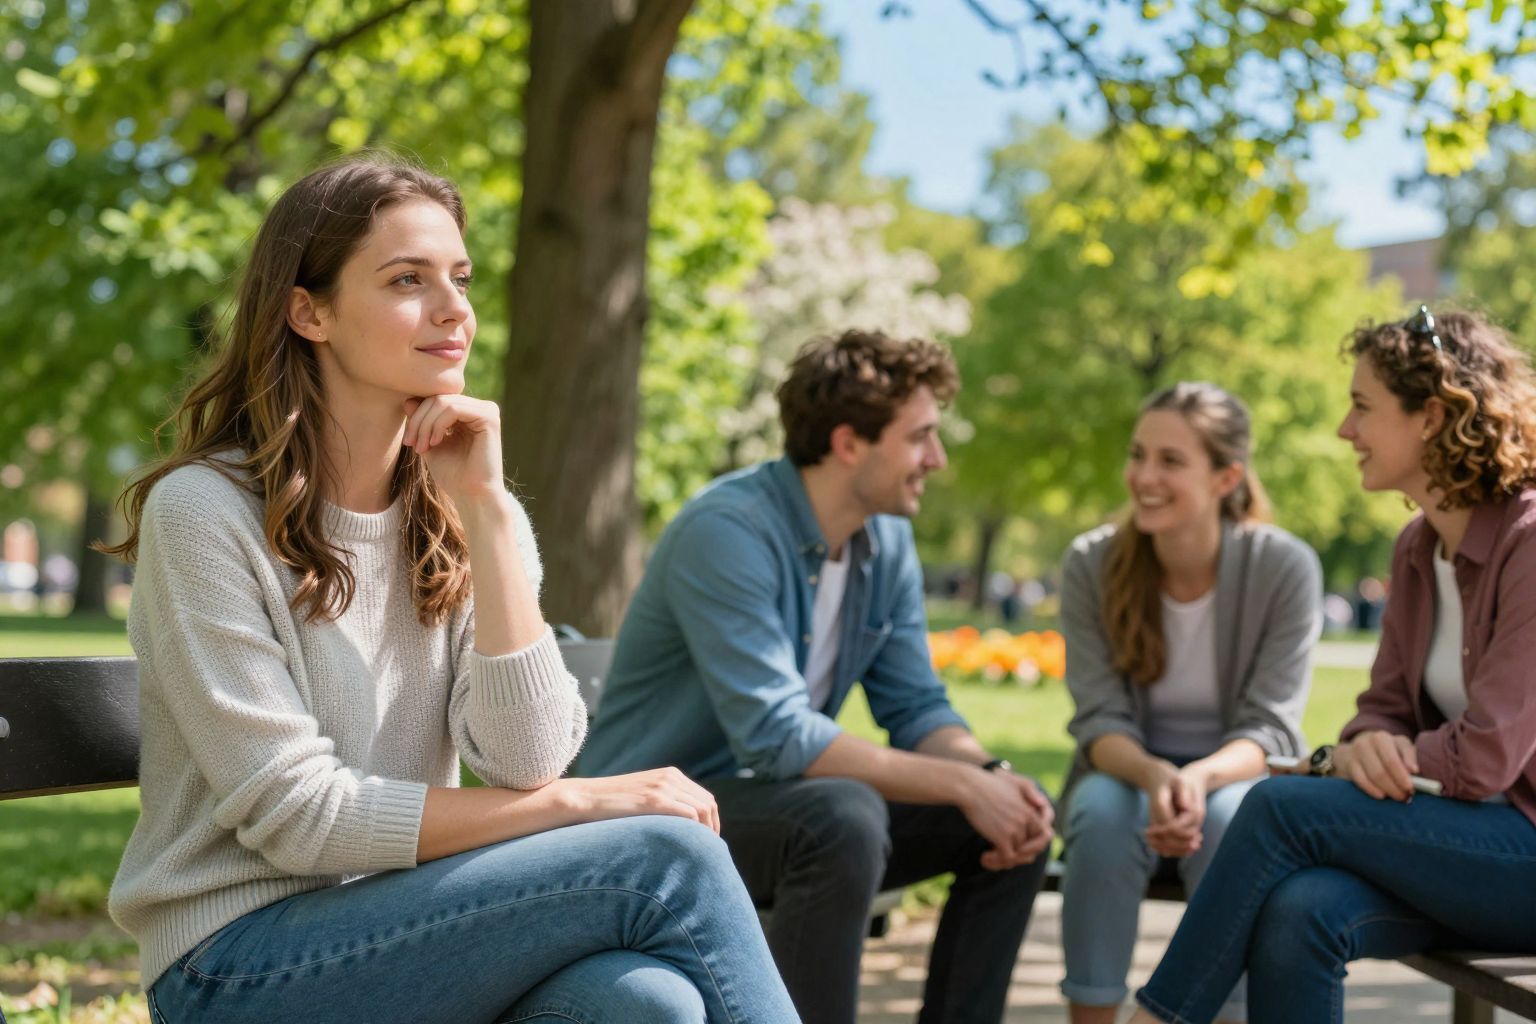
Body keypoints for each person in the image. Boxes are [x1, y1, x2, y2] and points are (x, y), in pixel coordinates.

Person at [102, 156, 799, 1024]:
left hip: (407, 930)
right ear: (307, 310)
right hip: (237, 966)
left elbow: (526, 758)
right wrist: (584, 801)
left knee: (643, 1004)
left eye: (460, 279)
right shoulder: (205, 513)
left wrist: (489, 517)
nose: (453, 309)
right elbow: (298, 817)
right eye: (407, 280)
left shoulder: (464, 509)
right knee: (666, 857)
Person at [576, 329, 1053, 1024]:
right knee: (841, 818)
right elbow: (779, 737)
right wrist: (962, 782)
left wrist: (991, 774)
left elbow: (918, 706)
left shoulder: (883, 541)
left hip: (766, 812)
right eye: (919, 437)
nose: (937, 458)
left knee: (1014, 817)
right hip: (652, 823)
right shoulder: (728, 530)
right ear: (849, 442)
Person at [1129, 308, 1536, 1024]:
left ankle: (1156, 1019)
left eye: (1362, 406)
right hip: (1459, 849)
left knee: (1280, 806)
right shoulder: (1417, 549)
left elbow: (1487, 755)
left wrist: (1386, 755)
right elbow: (1380, 709)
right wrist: (1371, 743)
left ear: (1433, 417)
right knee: (1299, 910)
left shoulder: (1528, 545)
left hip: (1521, 855)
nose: (1346, 430)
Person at [1058, 382, 1322, 1024]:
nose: (1145, 476)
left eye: (1171, 461)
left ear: (1226, 476)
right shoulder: (1092, 563)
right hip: (1126, 768)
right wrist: (1156, 776)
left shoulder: (1284, 566)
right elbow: (1098, 718)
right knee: (1099, 816)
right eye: (1138, 454)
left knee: (1234, 823)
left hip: (1233, 773)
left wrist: (1197, 779)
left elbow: (1271, 729)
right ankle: (1092, 1012)